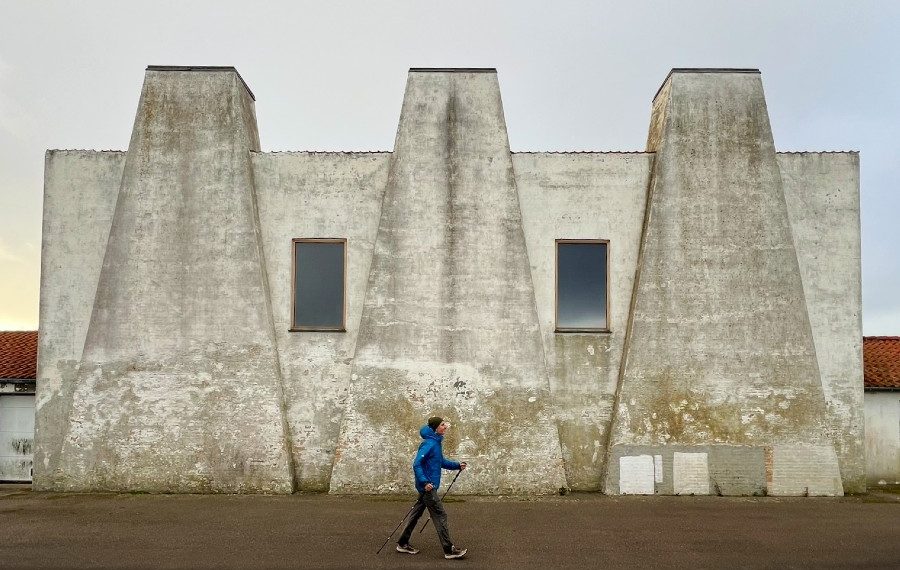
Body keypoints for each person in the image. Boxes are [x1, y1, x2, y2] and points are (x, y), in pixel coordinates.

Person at [396, 416, 468, 560]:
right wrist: (424, 482)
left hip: (428, 487)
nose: (445, 427)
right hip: (428, 487)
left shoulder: (435, 442)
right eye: (442, 425)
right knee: (440, 515)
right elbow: (417, 464)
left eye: (444, 424)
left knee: (415, 514)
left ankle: (402, 543)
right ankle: (449, 550)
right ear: (435, 428)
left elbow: (440, 461)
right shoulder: (429, 444)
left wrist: (457, 465)